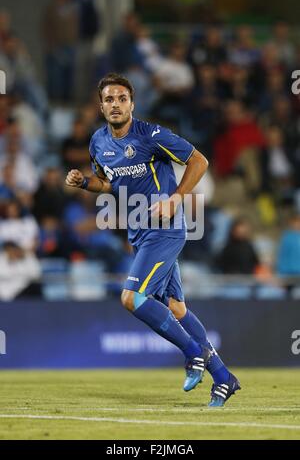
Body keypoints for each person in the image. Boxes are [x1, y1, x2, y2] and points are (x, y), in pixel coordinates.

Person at [65, 73, 240, 407]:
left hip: (166, 228)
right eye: (109, 100)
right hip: (140, 234)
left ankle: (192, 353)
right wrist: (85, 183)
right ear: (101, 106)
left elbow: (199, 160)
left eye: (121, 98)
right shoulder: (98, 143)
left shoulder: (151, 135)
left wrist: (175, 198)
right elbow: (107, 182)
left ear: (132, 103)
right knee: (176, 307)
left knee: (131, 297)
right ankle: (224, 377)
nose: (115, 105)